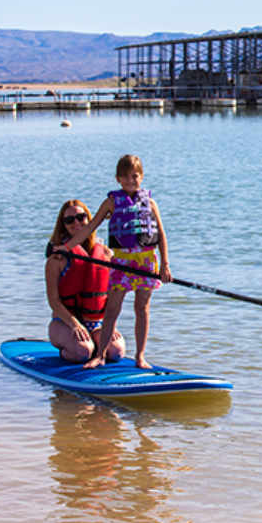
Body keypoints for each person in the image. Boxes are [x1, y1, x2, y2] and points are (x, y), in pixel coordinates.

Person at [60, 155, 171, 369]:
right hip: (122, 262)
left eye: (135, 176)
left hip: (146, 262)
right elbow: (90, 227)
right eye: (125, 177)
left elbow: (162, 235)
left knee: (142, 308)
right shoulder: (112, 202)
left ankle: (140, 356)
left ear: (142, 177)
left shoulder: (151, 202)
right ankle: (100, 355)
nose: (131, 181)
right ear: (118, 179)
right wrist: (65, 247)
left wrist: (165, 265)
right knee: (112, 309)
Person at [46, 199, 126, 363]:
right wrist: (75, 325)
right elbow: (53, 301)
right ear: (63, 225)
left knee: (117, 351)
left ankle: (95, 346)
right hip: (65, 322)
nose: (76, 223)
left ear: (89, 220)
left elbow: (113, 297)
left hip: (96, 323)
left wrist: (111, 325)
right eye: (69, 220)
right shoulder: (57, 259)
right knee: (82, 351)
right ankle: (70, 352)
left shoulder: (106, 255)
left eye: (81, 217)